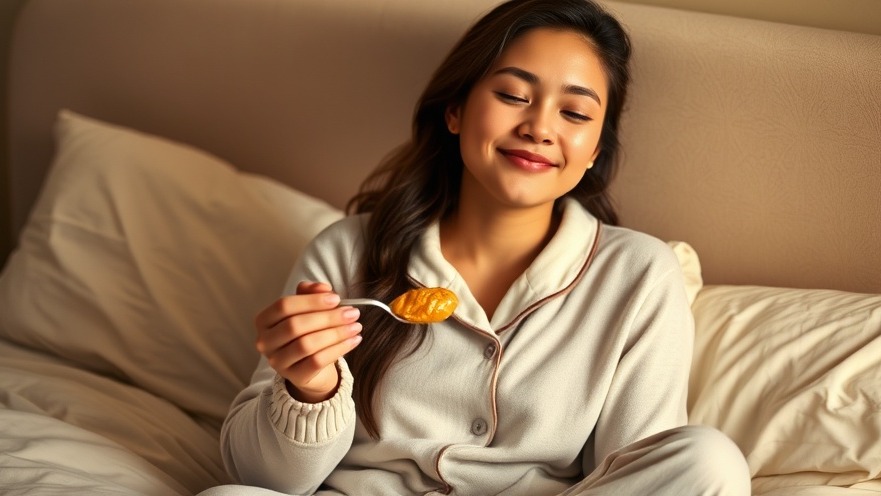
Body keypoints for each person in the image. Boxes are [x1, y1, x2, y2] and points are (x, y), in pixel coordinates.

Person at [200, 0, 751, 494]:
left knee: (709, 461)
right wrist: (311, 389)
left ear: (593, 150)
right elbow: (261, 478)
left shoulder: (638, 274)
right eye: (513, 95)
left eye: (575, 113)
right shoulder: (348, 251)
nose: (539, 127)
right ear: (456, 110)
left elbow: (638, 471)